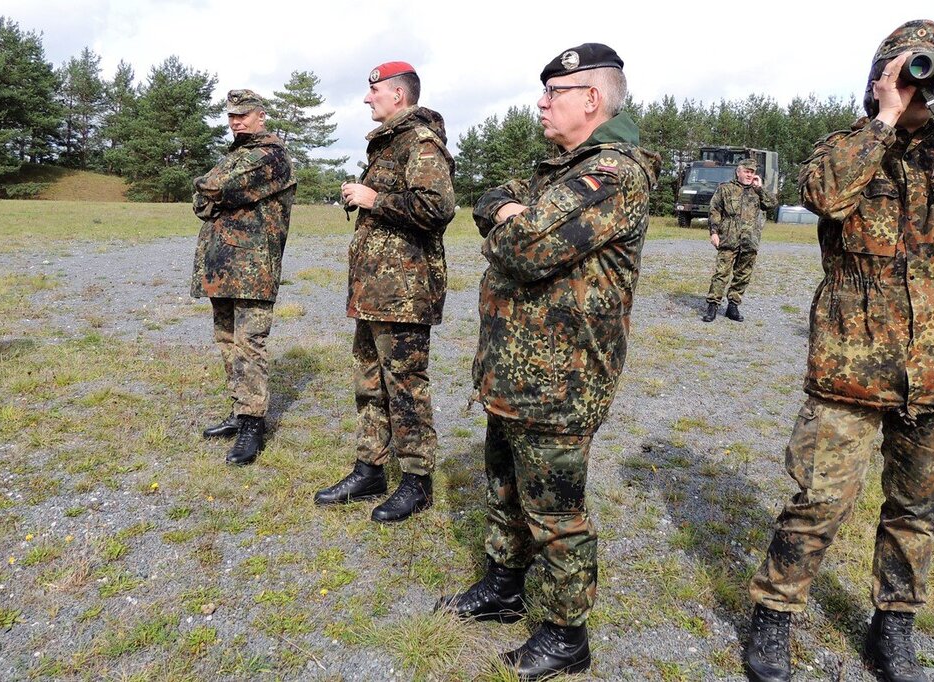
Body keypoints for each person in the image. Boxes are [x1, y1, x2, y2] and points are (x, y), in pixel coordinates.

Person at [743, 20, 934, 682]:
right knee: (819, 500)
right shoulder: (843, 148)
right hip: (849, 372)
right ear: (880, 77)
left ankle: (894, 627)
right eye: (911, 70)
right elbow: (825, 195)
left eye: (928, 72)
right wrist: (883, 119)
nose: (921, 85)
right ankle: (774, 613)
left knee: (916, 514)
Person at [433, 43, 660, 680]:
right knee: (504, 485)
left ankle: (565, 634)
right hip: (516, 369)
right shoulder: (561, 169)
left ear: (591, 99)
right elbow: (489, 198)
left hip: (563, 374)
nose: (540, 104)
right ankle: (505, 584)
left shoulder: (612, 173)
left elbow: (528, 247)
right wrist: (510, 209)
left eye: (553, 93)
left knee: (556, 511)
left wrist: (513, 216)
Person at [313, 61, 455, 523]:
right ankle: (370, 468)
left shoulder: (421, 141)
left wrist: (375, 199)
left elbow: (437, 206)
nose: (366, 98)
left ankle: (417, 482)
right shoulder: (389, 144)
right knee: (369, 384)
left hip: (405, 292)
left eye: (374, 91)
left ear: (399, 95)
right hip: (375, 290)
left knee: (406, 386)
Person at [191, 89, 296, 466]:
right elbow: (201, 202)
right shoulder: (234, 156)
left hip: (253, 267)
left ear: (261, 116)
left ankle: (253, 423)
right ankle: (240, 411)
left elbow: (217, 187)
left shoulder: (272, 155)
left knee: (249, 343)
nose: (236, 122)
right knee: (226, 340)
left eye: (243, 115)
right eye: (232, 116)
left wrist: (213, 186)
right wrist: (211, 188)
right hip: (221, 264)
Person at [701, 159, 777, 322]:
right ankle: (712, 306)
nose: (750, 174)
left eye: (752, 172)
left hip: (750, 240)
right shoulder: (725, 188)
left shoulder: (757, 191)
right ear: (738, 171)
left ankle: (733, 306)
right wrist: (713, 232)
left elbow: (772, 204)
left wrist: (760, 188)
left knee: (743, 274)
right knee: (721, 273)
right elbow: (715, 210)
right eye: (747, 171)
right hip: (728, 238)